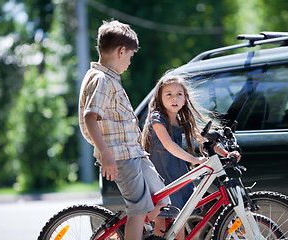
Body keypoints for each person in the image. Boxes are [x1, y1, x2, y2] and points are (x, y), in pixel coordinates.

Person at [78, 20, 170, 240]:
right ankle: (135, 232)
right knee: (138, 211)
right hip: (120, 156)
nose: (130, 62)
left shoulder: (111, 79)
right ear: (121, 51)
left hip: (135, 153)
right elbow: (90, 118)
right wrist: (106, 154)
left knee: (164, 198)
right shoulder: (101, 80)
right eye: (130, 56)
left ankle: (146, 233)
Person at [142, 74, 240, 239]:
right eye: (169, 94)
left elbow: (202, 138)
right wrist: (194, 160)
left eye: (179, 94)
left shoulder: (181, 119)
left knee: (179, 223)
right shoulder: (157, 119)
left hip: (177, 176)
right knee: (162, 221)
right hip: (161, 177)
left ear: (185, 98)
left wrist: (226, 153)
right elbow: (168, 144)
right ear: (159, 97)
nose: (175, 98)